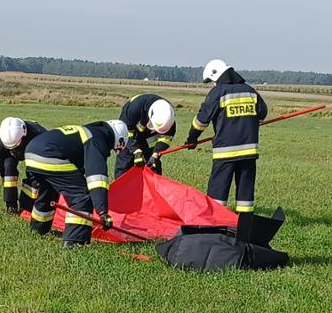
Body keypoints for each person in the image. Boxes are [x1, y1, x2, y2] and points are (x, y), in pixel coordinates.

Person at [24, 119, 128, 247]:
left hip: (31, 153)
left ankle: (38, 229)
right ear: (117, 140)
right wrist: (103, 212)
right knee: (82, 195)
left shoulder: (86, 131)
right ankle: (75, 241)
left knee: (49, 190)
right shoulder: (97, 137)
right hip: (50, 155)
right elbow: (96, 175)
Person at [182, 59, 267, 214]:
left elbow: (201, 121)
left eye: (211, 81)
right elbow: (262, 113)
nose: (212, 85)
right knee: (245, 195)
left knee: (217, 192)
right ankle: (245, 225)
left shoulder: (218, 93)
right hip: (249, 153)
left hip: (226, 153)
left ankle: (215, 224)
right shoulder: (250, 91)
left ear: (216, 76)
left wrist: (192, 139)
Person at [0, 116, 45, 214]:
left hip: (36, 152)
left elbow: (35, 174)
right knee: (8, 167)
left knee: (34, 178)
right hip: (13, 147)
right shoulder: (2, 139)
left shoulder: (39, 137)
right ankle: (11, 206)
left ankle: (27, 208)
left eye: (14, 147)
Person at [114, 93, 176, 178]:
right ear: (150, 116)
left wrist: (156, 153)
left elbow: (166, 138)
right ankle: (122, 189)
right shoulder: (135, 108)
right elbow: (125, 132)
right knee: (125, 163)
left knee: (153, 165)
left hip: (147, 139)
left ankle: (153, 189)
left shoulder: (168, 118)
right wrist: (135, 150)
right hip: (129, 133)